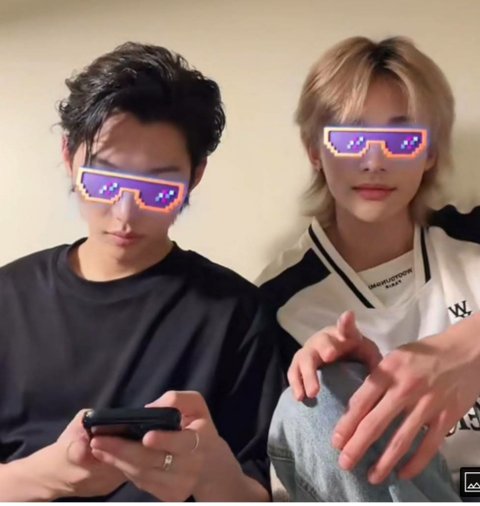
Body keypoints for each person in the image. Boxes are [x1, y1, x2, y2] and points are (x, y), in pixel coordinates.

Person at [0, 42, 284, 501]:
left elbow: (259, 495)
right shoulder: (8, 299)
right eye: (104, 179)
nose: (125, 214)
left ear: (195, 176)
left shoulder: (237, 314)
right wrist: (47, 476)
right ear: (69, 156)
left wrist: (210, 477)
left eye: (158, 188)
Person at [258, 36, 480, 501]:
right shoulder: (276, 306)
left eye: (402, 139)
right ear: (314, 149)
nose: (374, 161)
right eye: (350, 137)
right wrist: (336, 387)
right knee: (314, 399)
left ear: (430, 153)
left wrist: (466, 348)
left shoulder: (471, 239)